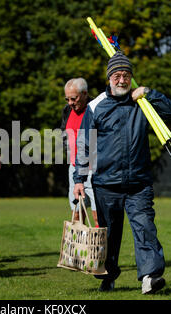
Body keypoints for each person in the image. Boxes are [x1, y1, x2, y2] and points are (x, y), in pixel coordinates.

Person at [73, 51, 171, 294]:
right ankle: (108, 277)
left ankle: (150, 277)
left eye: (126, 75)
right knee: (109, 236)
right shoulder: (95, 106)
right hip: (105, 184)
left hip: (138, 183)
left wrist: (150, 94)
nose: (122, 80)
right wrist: (79, 179)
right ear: (109, 78)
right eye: (117, 75)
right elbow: (85, 144)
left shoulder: (142, 102)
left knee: (145, 228)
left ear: (132, 77)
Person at [60, 78, 98, 227]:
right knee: (76, 216)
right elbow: (64, 131)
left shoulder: (96, 108)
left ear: (85, 94)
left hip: (93, 170)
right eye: (67, 99)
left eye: (73, 98)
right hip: (74, 168)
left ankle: (101, 250)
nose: (70, 102)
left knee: (97, 217)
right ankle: (80, 250)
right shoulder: (67, 110)